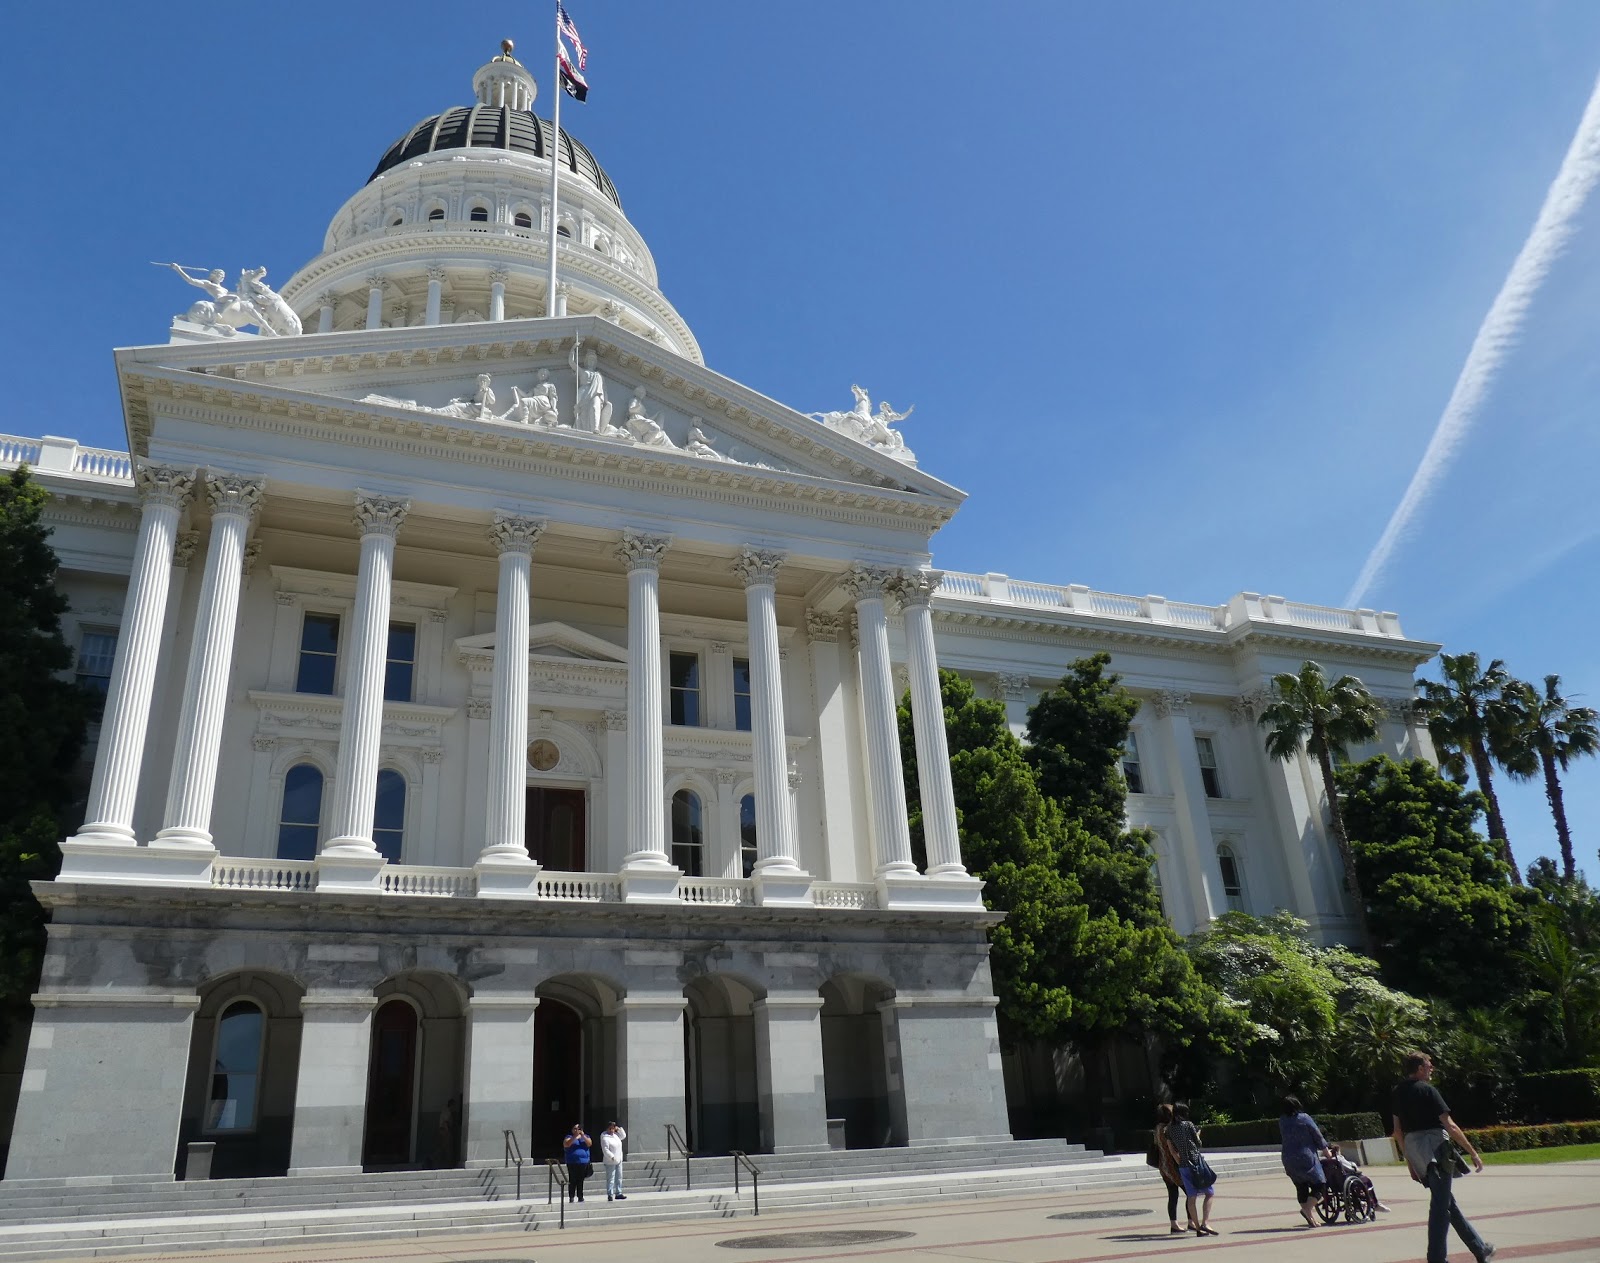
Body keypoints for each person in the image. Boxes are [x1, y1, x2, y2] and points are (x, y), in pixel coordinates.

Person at [1391, 1050, 1494, 1263]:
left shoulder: (1397, 1092)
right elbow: (1450, 1125)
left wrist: (1410, 1161)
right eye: (1429, 1065)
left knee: (1446, 1202)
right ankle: (1436, 1258)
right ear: (1420, 1068)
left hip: (1415, 1150)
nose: (1432, 1068)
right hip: (1437, 1148)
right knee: (1440, 1206)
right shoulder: (1428, 1090)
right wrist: (1473, 1152)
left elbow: (1397, 1131)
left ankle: (1480, 1248)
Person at [1163, 1102, 1218, 1236]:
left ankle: (1198, 1228)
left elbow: (1172, 1150)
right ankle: (1205, 1223)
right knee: (1209, 1193)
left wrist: (1180, 1161)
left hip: (1183, 1166)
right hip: (1196, 1162)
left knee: (1191, 1197)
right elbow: (1198, 1143)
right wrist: (1198, 1134)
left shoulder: (1169, 1129)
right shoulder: (1188, 1125)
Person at [1278, 1094, 1330, 1228]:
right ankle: (1307, 1209)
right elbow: (1317, 1135)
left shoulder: (1282, 1121)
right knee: (1320, 1184)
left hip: (1288, 1158)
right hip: (1305, 1157)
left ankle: (1310, 1217)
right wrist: (1327, 1152)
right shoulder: (1304, 1118)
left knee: (1301, 1186)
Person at [1153, 1103, 1191, 1234]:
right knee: (1190, 1193)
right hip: (1173, 1165)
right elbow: (1176, 1147)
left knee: (1173, 1195)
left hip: (1163, 1166)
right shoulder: (1168, 1129)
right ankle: (1191, 1221)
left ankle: (1174, 1224)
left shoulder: (1158, 1128)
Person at [562, 1122, 593, 1202]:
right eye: (575, 1129)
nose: (577, 1130)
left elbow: (589, 1143)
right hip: (572, 1162)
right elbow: (566, 1144)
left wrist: (583, 1135)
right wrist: (574, 1137)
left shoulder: (585, 1136)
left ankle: (580, 1196)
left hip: (583, 1162)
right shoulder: (569, 1137)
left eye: (578, 1129)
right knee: (572, 1179)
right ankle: (571, 1196)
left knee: (580, 1179)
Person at [600, 1120, 628, 1201]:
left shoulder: (615, 1136)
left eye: (613, 1128)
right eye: (610, 1128)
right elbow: (605, 1149)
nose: (611, 1130)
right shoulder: (605, 1137)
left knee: (619, 1177)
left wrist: (618, 1129)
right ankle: (610, 1194)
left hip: (619, 1159)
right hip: (610, 1161)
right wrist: (611, 1156)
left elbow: (623, 1136)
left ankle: (619, 1192)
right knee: (611, 1178)